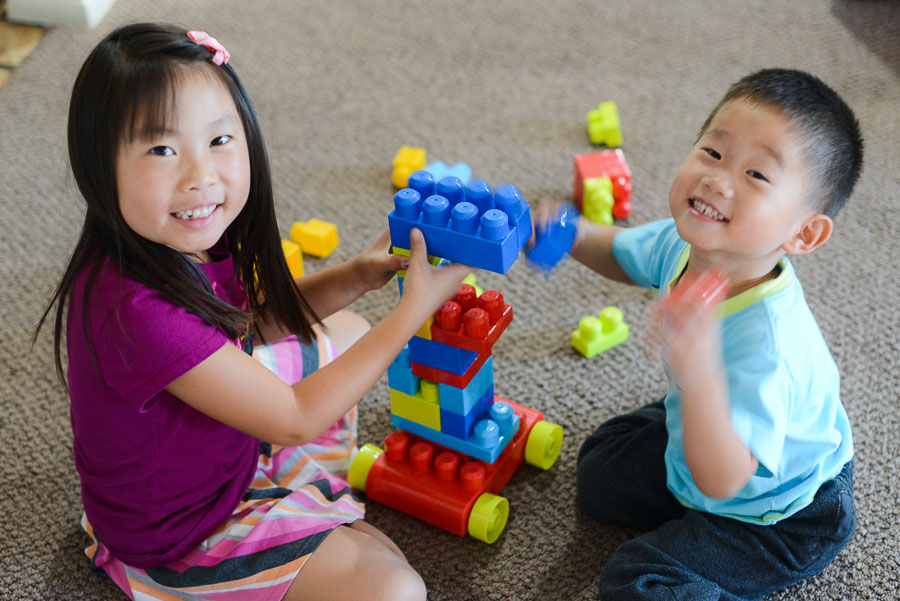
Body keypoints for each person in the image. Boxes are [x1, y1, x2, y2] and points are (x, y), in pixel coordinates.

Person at [34, 22, 470, 601]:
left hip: (225, 455)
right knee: (394, 589)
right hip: (180, 533)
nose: (201, 176)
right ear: (98, 167)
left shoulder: (184, 236)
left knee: (348, 327)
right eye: (162, 149)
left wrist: (356, 277)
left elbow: (248, 319)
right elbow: (294, 418)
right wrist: (412, 312)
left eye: (219, 141)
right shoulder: (133, 308)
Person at [539, 68, 862, 600]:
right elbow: (621, 252)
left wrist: (699, 370)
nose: (717, 178)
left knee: (636, 580)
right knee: (599, 467)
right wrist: (563, 232)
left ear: (804, 232)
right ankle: (689, 452)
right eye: (713, 153)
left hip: (777, 514)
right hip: (706, 442)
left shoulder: (767, 347)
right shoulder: (686, 244)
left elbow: (724, 479)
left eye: (757, 175)